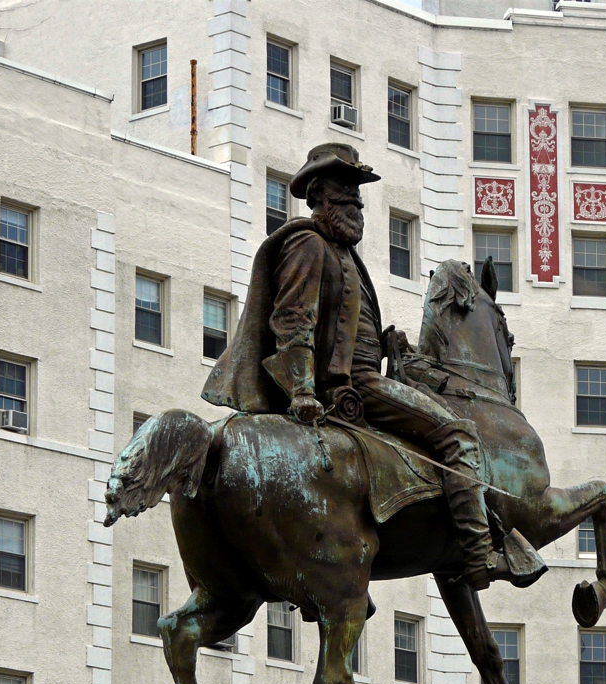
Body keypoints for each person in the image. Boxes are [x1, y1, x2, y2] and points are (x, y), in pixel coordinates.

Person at [203, 143, 537, 590]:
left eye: (358, 194)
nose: (357, 203)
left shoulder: (342, 252)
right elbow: (293, 319)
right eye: (346, 193)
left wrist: (385, 345)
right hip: (352, 387)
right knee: (458, 433)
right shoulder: (306, 243)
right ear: (319, 197)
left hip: (363, 375)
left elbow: (341, 328)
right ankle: (478, 557)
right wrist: (301, 389)